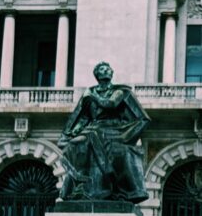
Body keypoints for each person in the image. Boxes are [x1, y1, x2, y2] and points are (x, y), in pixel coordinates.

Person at [58, 61, 149, 203]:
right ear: (96, 74)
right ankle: (81, 183)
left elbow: (111, 104)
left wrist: (93, 97)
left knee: (94, 142)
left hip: (114, 129)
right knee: (75, 144)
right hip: (93, 128)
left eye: (108, 69)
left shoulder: (119, 91)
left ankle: (104, 183)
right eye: (102, 69)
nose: (106, 71)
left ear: (112, 73)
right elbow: (83, 118)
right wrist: (70, 134)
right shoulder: (90, 93)